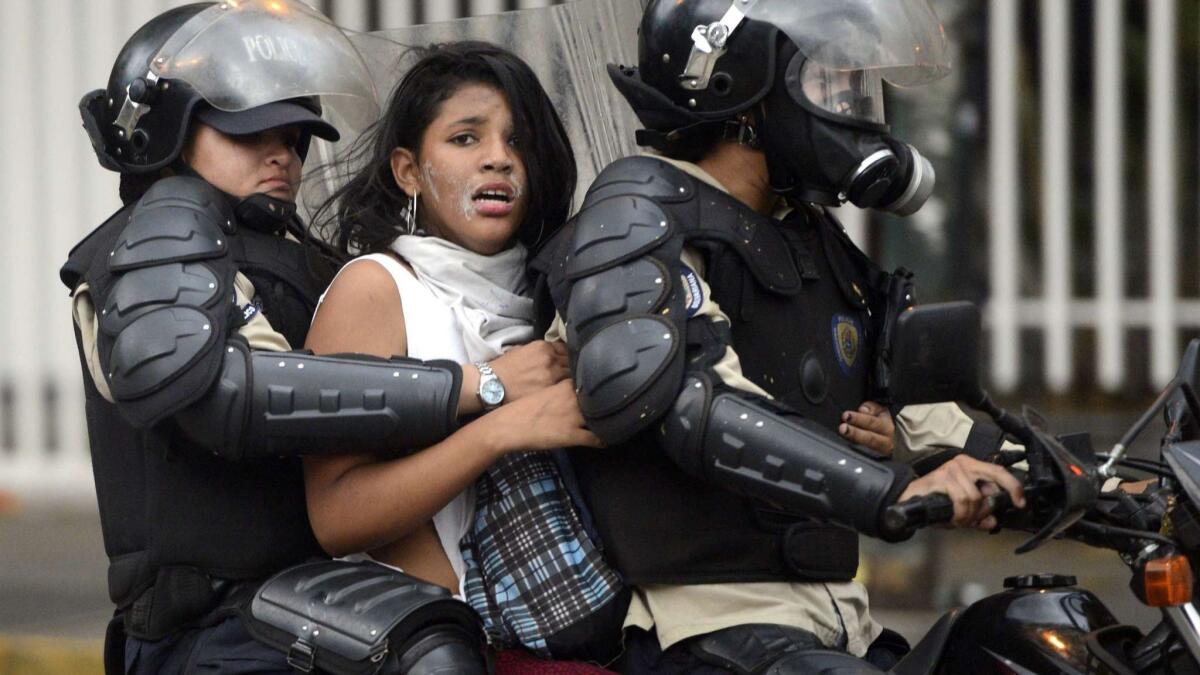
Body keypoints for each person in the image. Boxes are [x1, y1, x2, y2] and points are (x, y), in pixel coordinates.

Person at [530, 0, 1026, 672]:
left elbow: (911, 411)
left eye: (857, 85)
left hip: (839, 626)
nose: (854, 106)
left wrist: (1093, 482)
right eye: (829, 82)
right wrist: (886, 486)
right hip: (706, 629)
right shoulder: (638, 216)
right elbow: (692, 404)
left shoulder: (810, 239)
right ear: (743, 98)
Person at [61, 3, 495, 672]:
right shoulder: (149, 250)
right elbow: (226, 392)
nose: (283, 155)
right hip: (206, 625)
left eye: (295, 138)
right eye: (250, 132)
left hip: (303, 596)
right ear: (167, 132)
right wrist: (473, 389)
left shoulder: (289, 253)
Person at [304, 41, 623, 666]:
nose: (499, 159)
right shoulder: (378, 288)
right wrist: (500, 426)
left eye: (517, 141)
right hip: (441, 650)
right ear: (408, 171)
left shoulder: (557, 294)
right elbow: (336, 516)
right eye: (465, 139)